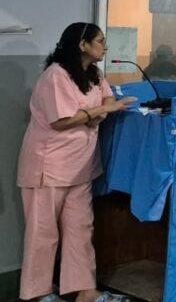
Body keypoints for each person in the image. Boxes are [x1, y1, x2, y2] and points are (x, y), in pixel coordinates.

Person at [18, 22, 137, 302]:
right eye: (100, 41)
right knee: (43, 234)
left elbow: (108, 97)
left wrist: (101, 110)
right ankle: (37, 294)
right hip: (48, 167)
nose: (105, 46)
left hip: (80, 168)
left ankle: (85, 291)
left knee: (80, 231)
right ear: (82, 45)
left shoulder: (94, 73)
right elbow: (60, 122)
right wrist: (98, 112)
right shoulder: (56, 76)